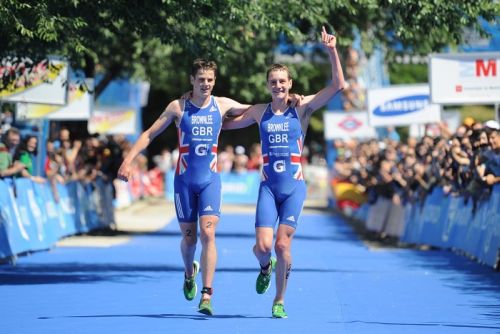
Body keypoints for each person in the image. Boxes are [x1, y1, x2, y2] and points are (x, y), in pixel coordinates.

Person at [117, 59, 300, 315]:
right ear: (192, 80)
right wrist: (128, 160)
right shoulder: (177, 107)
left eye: (210, 80)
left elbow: (264, 107)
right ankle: (189, 272)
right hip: (183, 181)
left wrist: (291, 98)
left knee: (208, 233)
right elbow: (149, 134)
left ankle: (207, 294)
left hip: (210, 181)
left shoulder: (222, 104)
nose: (206, 84)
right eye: (201, 79)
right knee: (189, 240)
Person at [222, 26, 345, 318]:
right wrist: (199, 116)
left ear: (290, 83)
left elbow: (339, 86)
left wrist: (332, 51)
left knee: (281, 243)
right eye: (273, 82)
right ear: (268, 85)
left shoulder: (301, 108)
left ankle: (279, 300)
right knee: (262, 247)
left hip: (293, 188)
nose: (278, 86)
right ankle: (265, 268)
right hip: (267, 187)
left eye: (282, 81)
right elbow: (225, 125)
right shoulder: (258, 111)